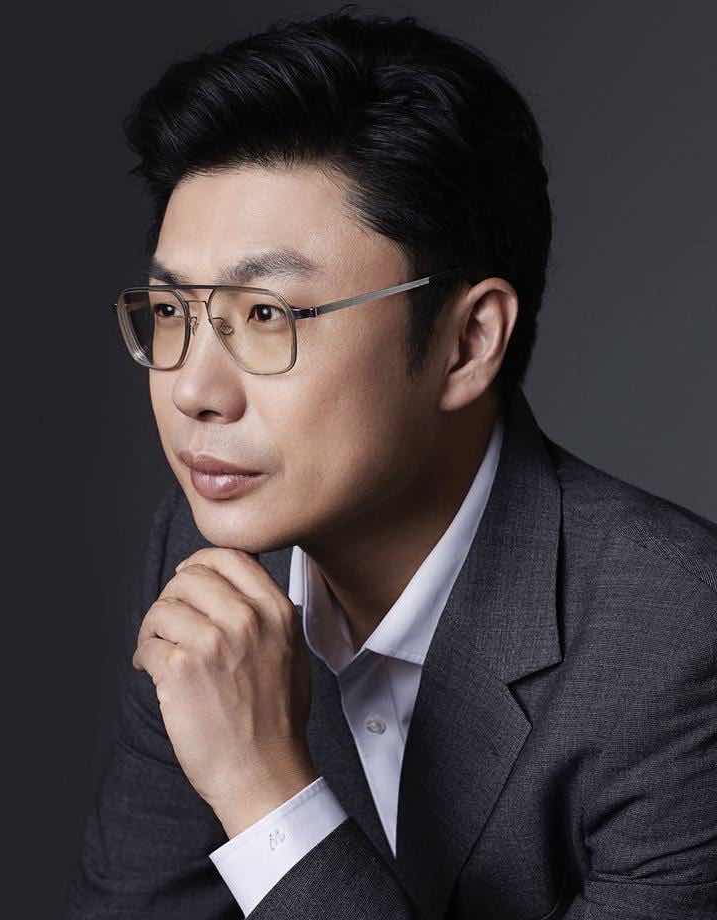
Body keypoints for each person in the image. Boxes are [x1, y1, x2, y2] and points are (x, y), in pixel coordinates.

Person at [66, 7, 717, 918]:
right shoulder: (210, 560)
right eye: (172, 311)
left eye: (267, 315)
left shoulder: (677, 642)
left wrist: (267, 797)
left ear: (466, 343)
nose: (192, 391)